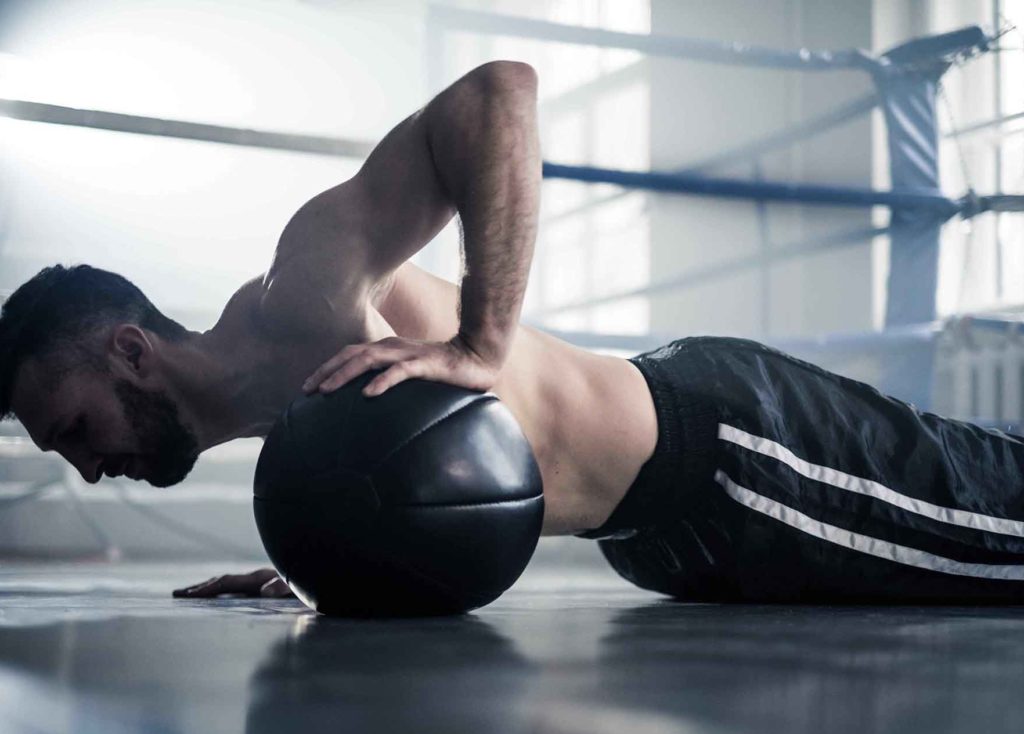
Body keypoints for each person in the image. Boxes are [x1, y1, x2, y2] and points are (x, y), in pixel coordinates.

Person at [4, 61, 1024, 605]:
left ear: (130, 352)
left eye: (81, 429)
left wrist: (481, 345)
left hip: (724, 451)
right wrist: (325, 565)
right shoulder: (280, 413)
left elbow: (496, 95)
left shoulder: (301, 287)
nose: (93, 469)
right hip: (660, 543)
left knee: (998, 526)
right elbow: (423, 480)